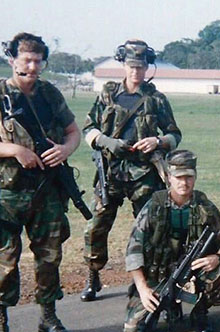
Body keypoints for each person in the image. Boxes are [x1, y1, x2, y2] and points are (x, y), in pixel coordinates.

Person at [0, 32, 81, 332]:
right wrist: (14, 150)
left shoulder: (49, 94)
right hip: (7, 193)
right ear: (12, 59)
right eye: (26, 59)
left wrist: (65, 150)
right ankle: (0, 321)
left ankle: (48, 316)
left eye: (37, 60)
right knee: (5, 257)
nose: (32, 65)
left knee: (49, 256)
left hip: (48, 191)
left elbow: (74, 132)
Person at [81, 39, 182, 302]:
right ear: (123, 65)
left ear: (148, 67)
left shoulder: (156, 99)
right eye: (131, 66)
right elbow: (88, 129)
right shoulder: (107, 95)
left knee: (149, 227)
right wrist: (107, 142)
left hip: (144, 173)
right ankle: (93, 274)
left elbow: (174, 134)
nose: (136, 72)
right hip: (111, 172)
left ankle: (144, 279)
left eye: (141, 66)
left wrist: (157, 141)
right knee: (96, 226)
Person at [123, 150, 220, 332]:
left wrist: (217, 257)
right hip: (159, 277)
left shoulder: (205, 207)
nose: (184, 182)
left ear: (195, 177)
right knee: (134, 328)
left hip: (193, 275)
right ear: (168, 177)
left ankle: (200, 312)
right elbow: (133, 251)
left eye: (189, 177)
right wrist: (142, 288)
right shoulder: (153, 207)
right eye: (179, 177)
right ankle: (169, 306)